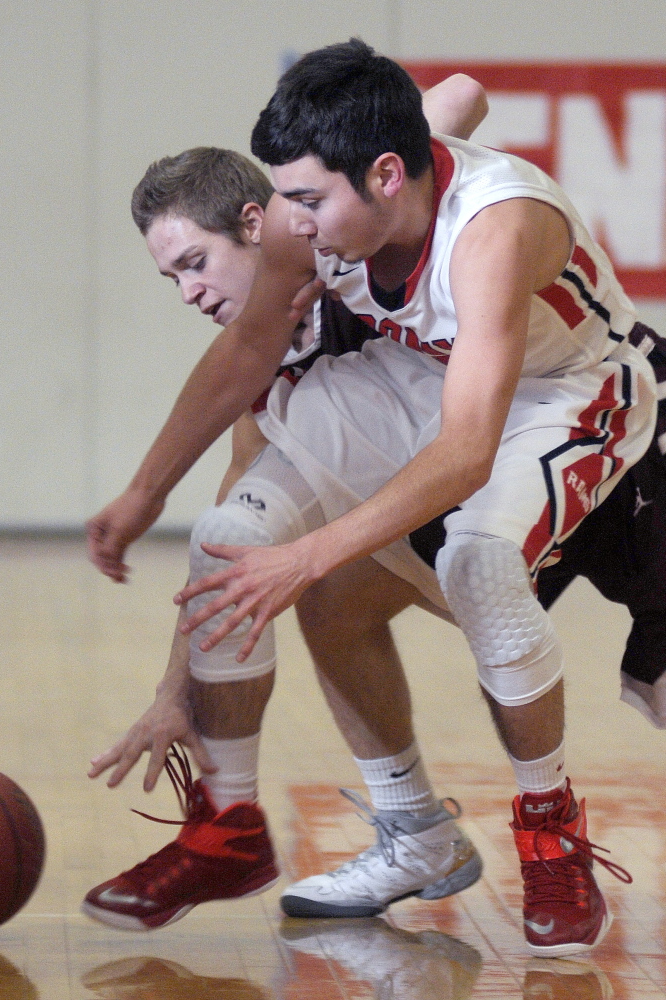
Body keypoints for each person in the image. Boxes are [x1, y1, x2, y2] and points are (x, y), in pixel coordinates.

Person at [86, 40, 666, 956]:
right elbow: (245, 356)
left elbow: (467, 452)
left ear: (387, 178)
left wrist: (309, 551)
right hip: (453, 398)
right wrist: (143, 493)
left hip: (589, 408)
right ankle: (264, 828)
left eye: (312, 202)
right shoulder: (321, 209)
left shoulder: (493, 229)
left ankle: (550, 827)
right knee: (261, 553)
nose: (295, 227)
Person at [84, 76, 490, 933]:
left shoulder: (329, 235)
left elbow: (459, 95)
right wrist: (174, 691)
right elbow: (230, 546)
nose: (189, 292)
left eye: (194, 263)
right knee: (321, 600)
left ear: (256, 224)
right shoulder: (271, 373)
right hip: (421, 522)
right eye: (171, 279)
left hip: (519, 482)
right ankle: (407, 831)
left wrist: (403, 137)